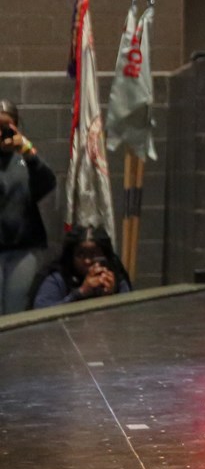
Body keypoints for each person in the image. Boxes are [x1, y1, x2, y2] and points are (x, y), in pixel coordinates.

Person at [2, 101, 57, 314]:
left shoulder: (25, 159)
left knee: (16, 310)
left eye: (7, 126)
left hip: (23, 249)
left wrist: (28, 152)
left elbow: (48, 184)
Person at [29, 225, 132, 309]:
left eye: (93, 254)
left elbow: (130, 312)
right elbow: (40, 311)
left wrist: (113, 294)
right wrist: (81, 292)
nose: (87, 261)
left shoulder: (115, 277)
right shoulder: (59, 279)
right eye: (81, 255)